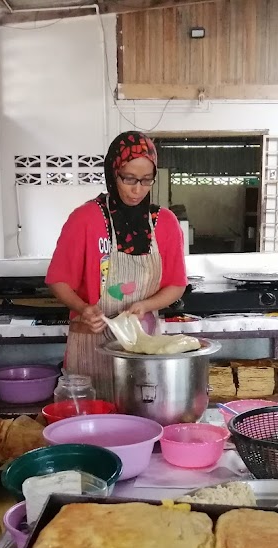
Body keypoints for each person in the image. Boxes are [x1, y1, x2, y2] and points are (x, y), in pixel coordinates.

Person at [45, 131, 188, 401]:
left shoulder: (165, 223)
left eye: (147, 180)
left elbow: (176, 284)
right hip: (91, 341)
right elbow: (59, 280)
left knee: (139, 414)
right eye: (129, 179)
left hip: (141, 345)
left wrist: (146, 305)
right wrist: (82, 308)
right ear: (113, 173)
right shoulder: (85, 219)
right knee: (92, 424)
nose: (137, 190)